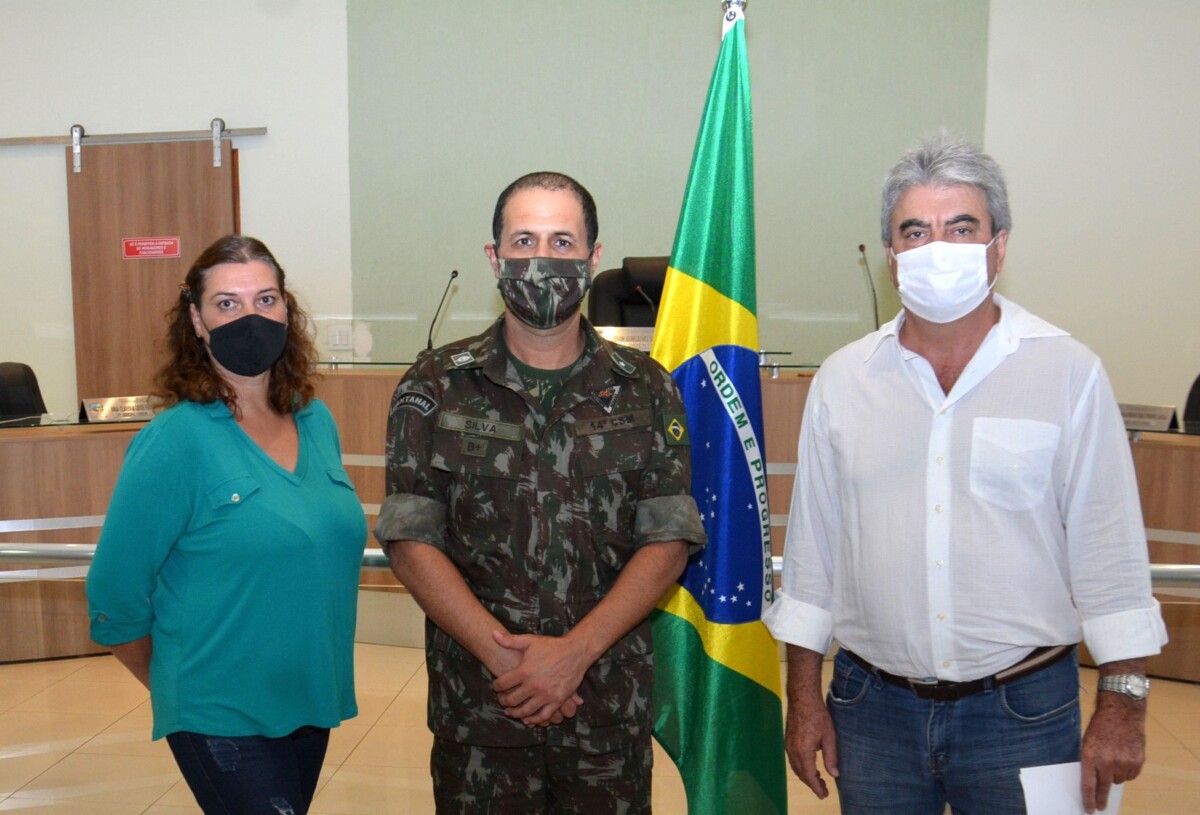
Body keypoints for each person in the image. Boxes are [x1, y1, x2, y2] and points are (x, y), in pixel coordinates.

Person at [764, 135, 1168, 815]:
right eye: (915, 231)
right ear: (892, 256)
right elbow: (812, 558)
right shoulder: (844, 379)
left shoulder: (1067, 372)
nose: (937, 248)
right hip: (871, 710)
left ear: (998, 248)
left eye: (961, 228)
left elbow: (1110, 552)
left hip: (1024, 708)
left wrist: (1123, 704)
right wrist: (802, 699)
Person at [374, 171, 706, 812]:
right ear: (494, 257)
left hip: (605, 709)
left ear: (593, 258)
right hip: (482, 712)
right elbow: (411, 540)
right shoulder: (435, 385)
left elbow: (668, 539)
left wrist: (574, 654)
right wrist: (509, 661)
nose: (542, 259)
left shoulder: (647, 386)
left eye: (562, 242)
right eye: (524, 241)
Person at [86, 235, 367, 814]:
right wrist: (180, 687)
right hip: (222, 712)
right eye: (227, 304)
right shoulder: (175, 441)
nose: (250, 318)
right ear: (196, 319)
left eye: (265, 299)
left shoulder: (315, 421)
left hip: (308, 699)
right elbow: (114, 594)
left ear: (287, 308)